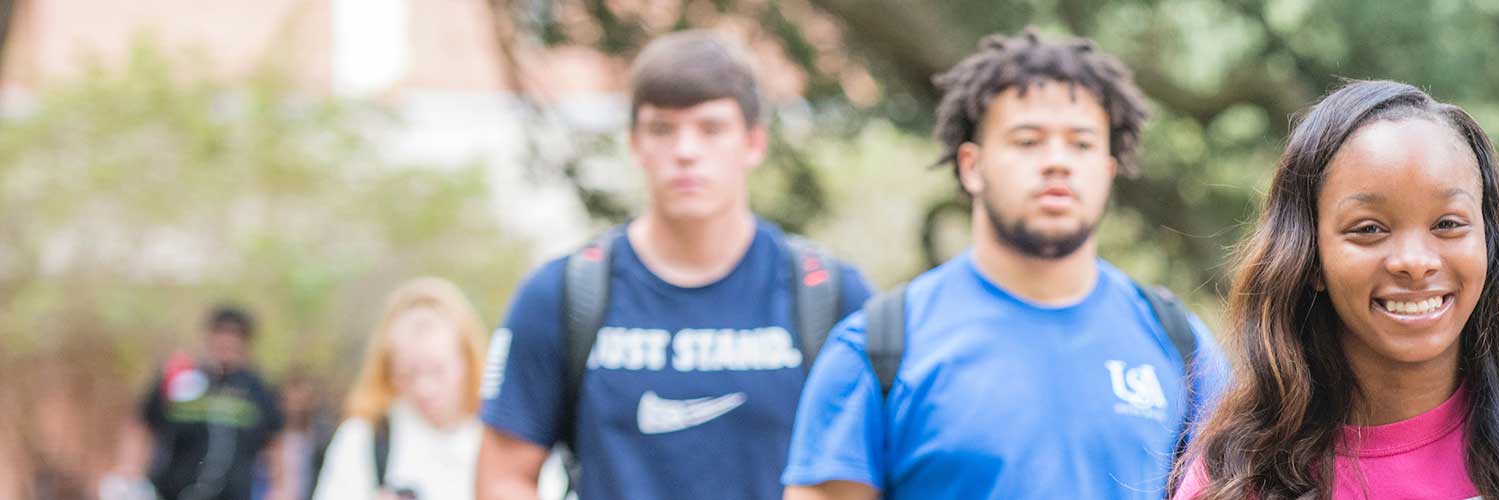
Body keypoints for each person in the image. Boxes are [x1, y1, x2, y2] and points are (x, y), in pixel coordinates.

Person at [1173, 80, 1499, 500]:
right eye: (1368, 229)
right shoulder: (1238, 475)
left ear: (1490, 241)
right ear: (1310, 258)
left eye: (1448, 223)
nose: (1415, 263)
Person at [781, 29, 1228, 499]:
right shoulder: (879, 346)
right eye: (1028, 140)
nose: (1058, 162)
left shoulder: (1181, 344)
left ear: (1108, 170)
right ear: (972, 166)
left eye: (1081, 144)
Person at [475, 30, 873, 499]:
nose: (685, 152)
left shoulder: (828, 294)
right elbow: (504, 475)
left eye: (710, 129)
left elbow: (863, 477)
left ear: (753, 143)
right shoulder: (562, 294)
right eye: (662, 129)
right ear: (635, 144)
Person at [316, 278, 563, 500]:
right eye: (408, 374)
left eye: (437, 370)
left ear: (467, 360)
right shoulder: (365, 439)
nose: (424, 388)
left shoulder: (513, 433)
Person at [139, 305, 285, 500]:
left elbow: (275, 443)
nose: (227, 341)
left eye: (236, 335)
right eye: (221, 332)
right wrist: (133, 472)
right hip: (174, 492)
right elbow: (143, 425)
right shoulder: (181, 378)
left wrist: (280, 488)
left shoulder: (258, 389)